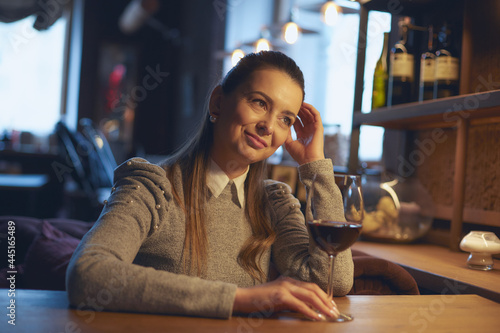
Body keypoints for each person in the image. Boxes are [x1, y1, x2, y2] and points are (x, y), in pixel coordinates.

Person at [66, 50, 353, 321]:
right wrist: (240, 299)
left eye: (285, 119)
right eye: (259, 102)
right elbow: (88, 274)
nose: (268, 125)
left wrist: (314, 166)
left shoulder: (274, 203)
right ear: (218, 101)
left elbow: (334, 280)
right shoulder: (152, 187)